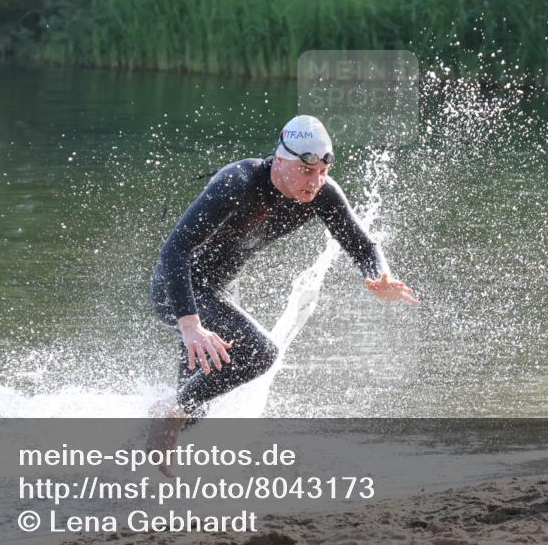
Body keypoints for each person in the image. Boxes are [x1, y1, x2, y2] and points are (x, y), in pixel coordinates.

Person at [147, 115, 418, 471]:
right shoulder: (236, 183)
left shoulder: (322, 195)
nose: (315, 182)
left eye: (322, 172)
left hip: (219, 294)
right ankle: (169, 413)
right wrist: (190, 326)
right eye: (307, 171)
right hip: (177, 291)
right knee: (259, 352)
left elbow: (363, 245)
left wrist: (379, 276)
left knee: (196, 407)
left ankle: (124, 461)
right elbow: (175, 250)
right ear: (280, 160)